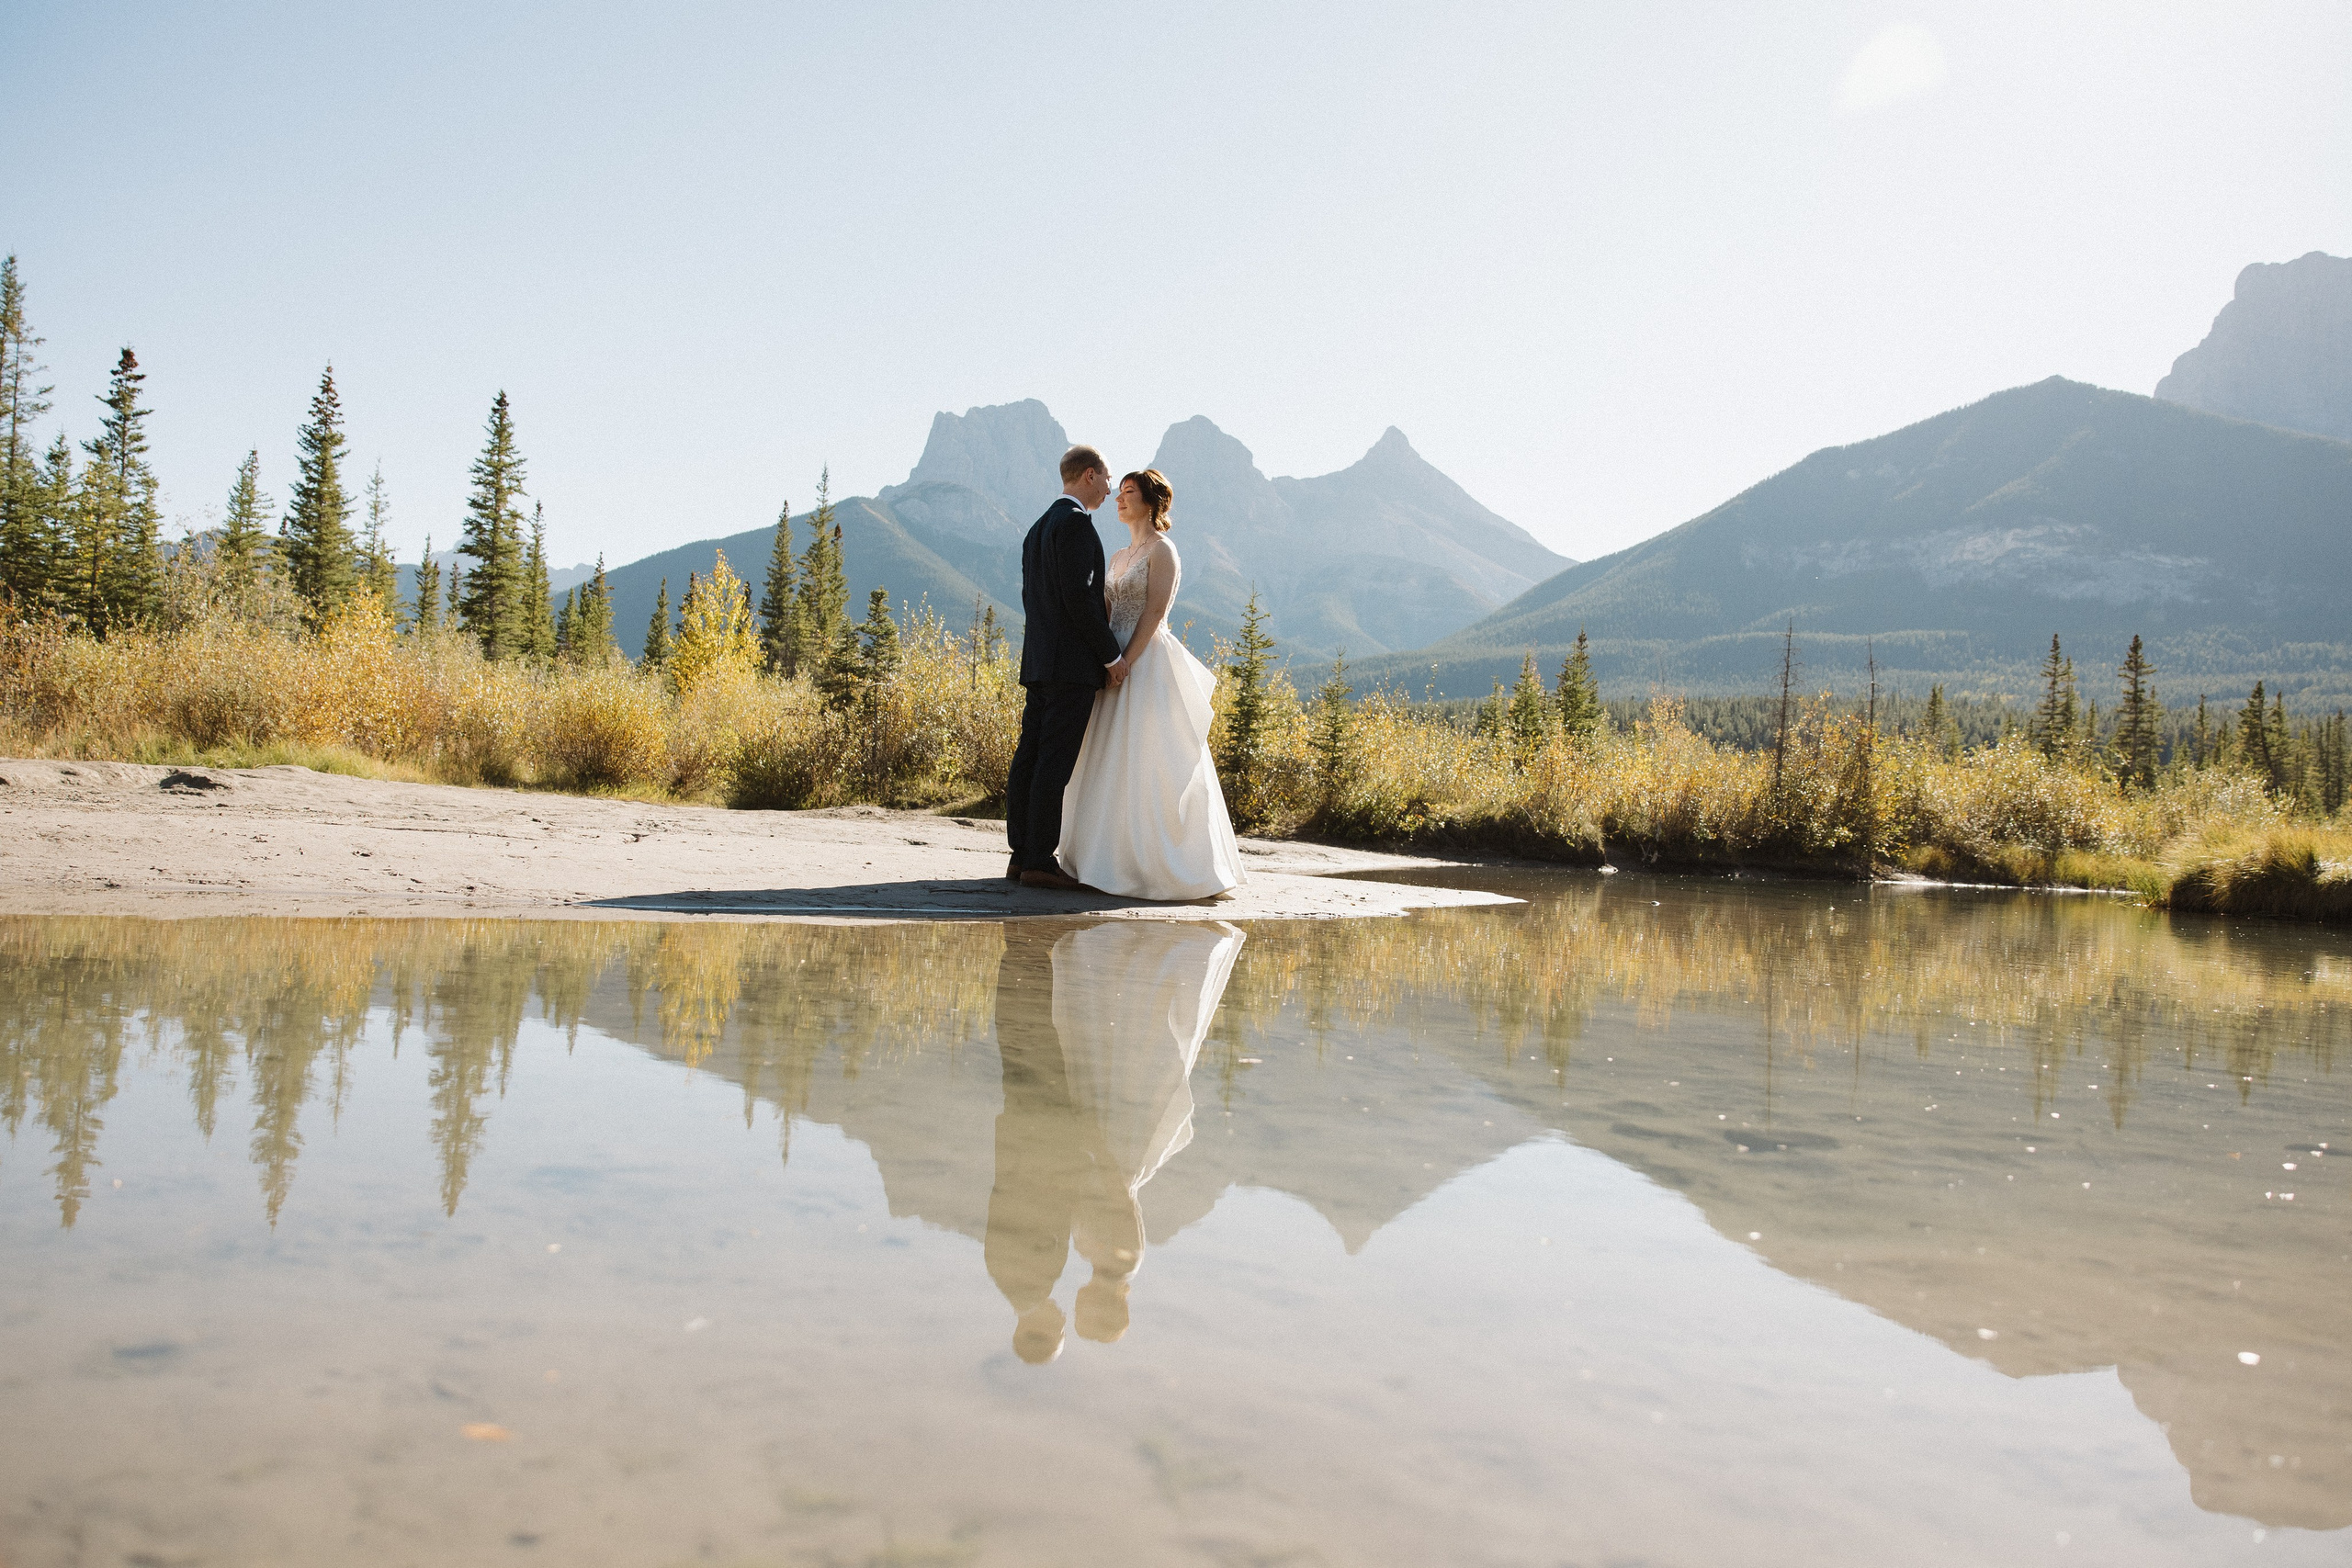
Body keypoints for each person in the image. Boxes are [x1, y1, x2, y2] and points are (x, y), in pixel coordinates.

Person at [1055, 468, 1246, 900]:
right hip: (1111, 657)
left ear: (1152, 502)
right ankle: (1103, 860)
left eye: (1129, 493)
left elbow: (1154, 613)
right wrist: (1103, 657)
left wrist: (1126, 662)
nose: (1119, 499)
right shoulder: (1119, 555)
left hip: (1143, 658)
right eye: (1119, 492)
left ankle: (1157, 865)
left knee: (1148, 759)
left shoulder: (1164, 552)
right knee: (1105, 758)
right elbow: (1104, 611)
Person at [1004, 446, 1127, 891]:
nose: (1110, 488)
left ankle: (1020, 854)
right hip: (1071, 666)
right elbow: (1081, 600)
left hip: (1038, 660)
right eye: (1108, 478)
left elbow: (1033, 600)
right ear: (1090, 476)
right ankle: (1040, 859)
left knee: (1030, 756)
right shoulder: (1075, 526)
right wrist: (1111, 657)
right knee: (1054, 762)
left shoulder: (1038, 528)